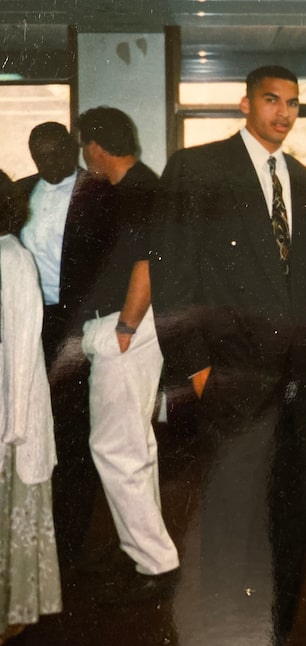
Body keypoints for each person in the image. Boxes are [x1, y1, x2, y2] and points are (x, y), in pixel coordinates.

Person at [150, 65, 306, 646]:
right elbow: (173, 275)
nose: (283, 113)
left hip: (293, 380)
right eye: (271, 100)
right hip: (226, 373)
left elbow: (300, 280)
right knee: (230, 514)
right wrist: (194, 368)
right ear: (245, 104)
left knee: (288, 511)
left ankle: (275, 632)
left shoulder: (303, 180)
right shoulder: (198, 168)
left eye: (293, 104)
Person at [74, 106, 179, 604]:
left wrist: (124, 328)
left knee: (116, 449)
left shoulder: (138, 189)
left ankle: (154, 561)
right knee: (135, 445)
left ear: (94, 146)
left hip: (130, 326)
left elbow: (149, 263)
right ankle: (146, 548)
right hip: (133, 326)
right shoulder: (137, 186)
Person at [16, 122, 114, 568]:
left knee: (73, 431)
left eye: (55, 152)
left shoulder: (103, 192)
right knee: (29, 422)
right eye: (38, 154)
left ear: (73, 148)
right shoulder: (17, 193)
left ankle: (69, 540)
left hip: (75, 323)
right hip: (26, 322)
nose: (46, 162)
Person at [0, 171, 62, 646]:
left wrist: (16, 425)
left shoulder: (13, 258)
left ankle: (12, 608)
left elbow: (22, 345)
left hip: (8, 397)